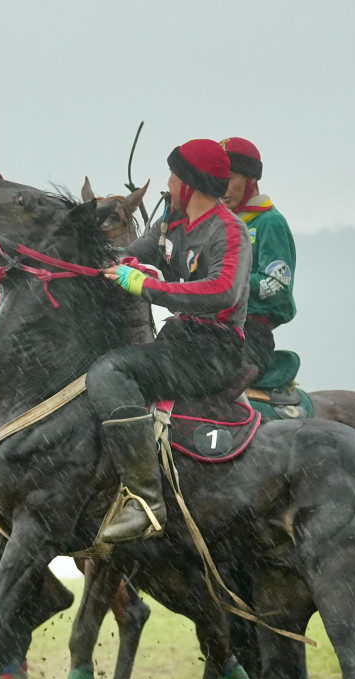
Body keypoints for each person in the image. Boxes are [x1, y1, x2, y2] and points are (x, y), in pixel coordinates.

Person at [89, 139, 251, 545]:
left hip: (214, 352)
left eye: (173, 176)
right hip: (179, 342)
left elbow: (223, 290)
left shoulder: (230, 231)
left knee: (110, 372)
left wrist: (150, 286)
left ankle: (144, 503)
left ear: (188, 185)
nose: (168, 183)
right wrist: (124, 266)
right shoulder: (170, 226)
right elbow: (126, 256)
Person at [220, 137, 296, 379]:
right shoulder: (217, 225)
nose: (221, 187)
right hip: (210, 330)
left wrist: (224, 282)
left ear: (250, 179)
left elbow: (277, 286)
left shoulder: (270, 223)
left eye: (229, 178)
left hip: (250, 334)